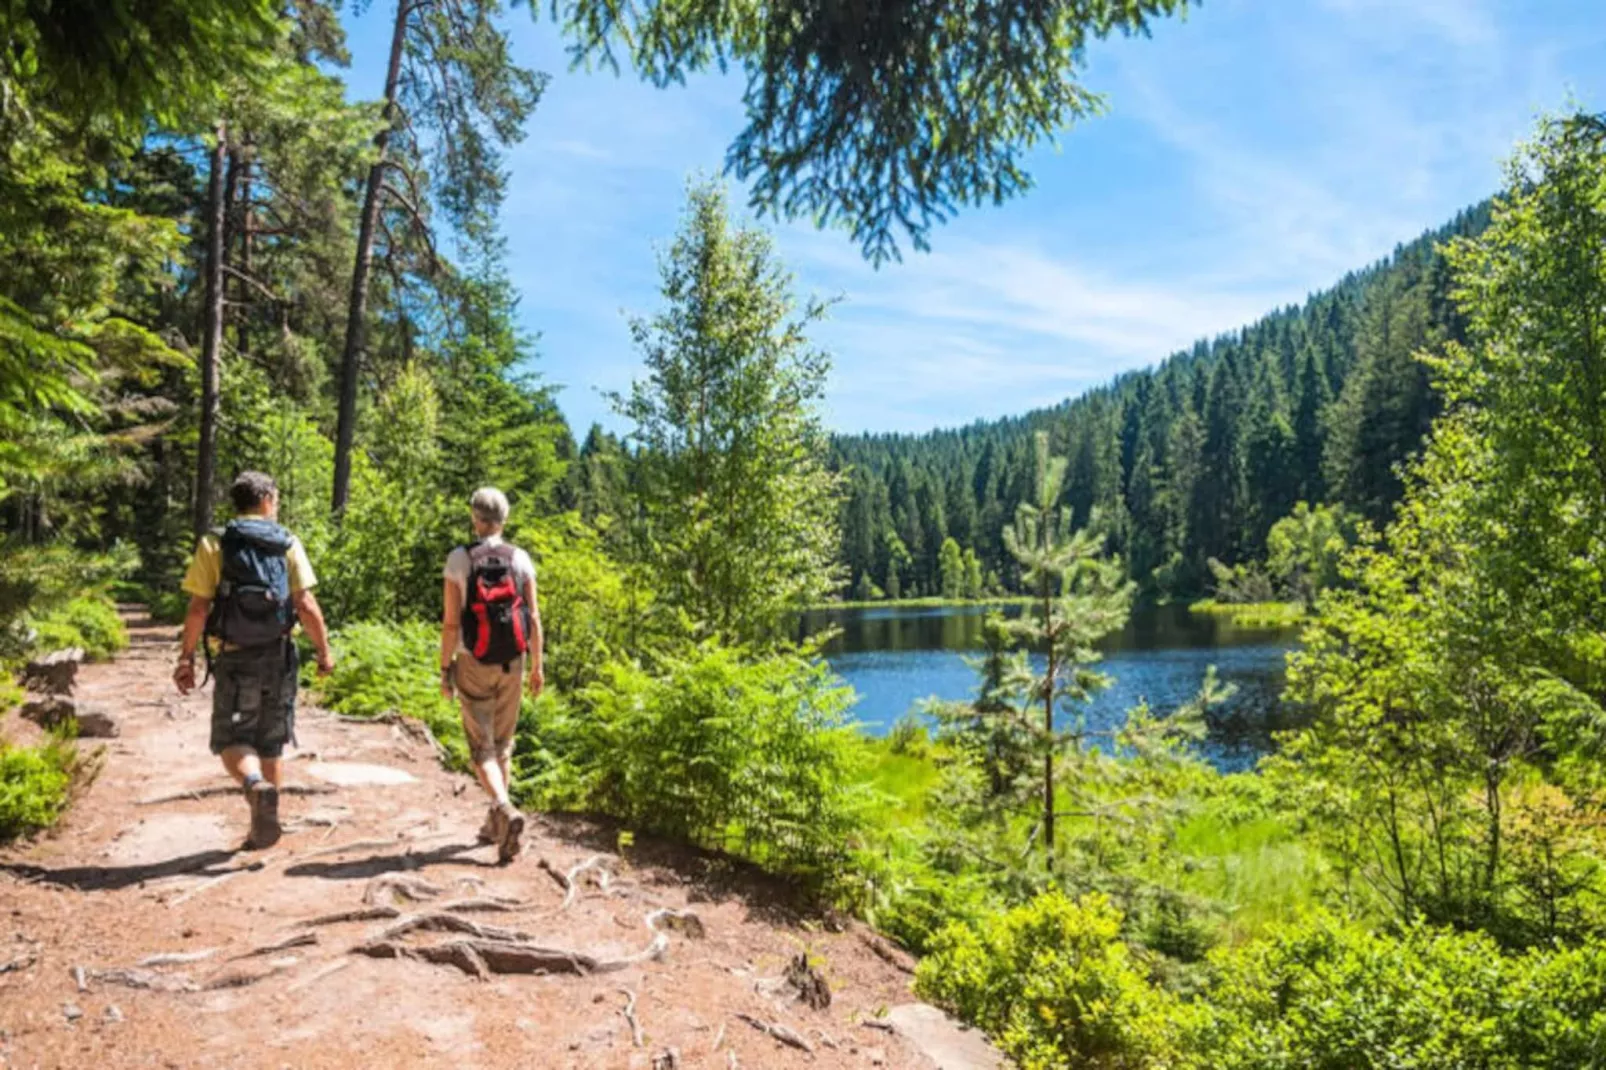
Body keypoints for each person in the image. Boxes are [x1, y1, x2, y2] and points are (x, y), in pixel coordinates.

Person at [173, 471, 335, 848]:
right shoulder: (287, 543)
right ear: (266, 500)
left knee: (231, 738)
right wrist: (324, 652)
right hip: (279, 654)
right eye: (275, 500)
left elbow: (198, 607)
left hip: (234, 655)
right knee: (271, 740)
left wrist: (186, 658)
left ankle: (254, 785)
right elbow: (306, 604)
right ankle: (265, 824)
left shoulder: (215, 543)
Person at [440, 487, 543, 864]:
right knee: (503, 743)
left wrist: (444, 669)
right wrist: (537, 666)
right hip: (512, 662)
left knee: (481, 749)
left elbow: (451, 622)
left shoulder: (459, 559)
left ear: (475, 518)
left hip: (473, 660)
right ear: (504, 518)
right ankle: (495, 826)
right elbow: (533, 617)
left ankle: (502, 807)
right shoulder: (521, 559)